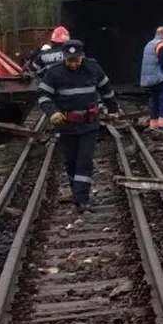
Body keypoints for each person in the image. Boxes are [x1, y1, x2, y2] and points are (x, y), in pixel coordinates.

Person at [36, 40, 120, 213]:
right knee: (71, 161)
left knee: (85, 160)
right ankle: (77, 193)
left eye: (76, 60)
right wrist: (52, 112)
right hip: (66, 126)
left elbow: (106, 90)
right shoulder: (54, 73)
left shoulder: (93, 69)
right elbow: (43, 95)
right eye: (69, 60)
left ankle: (82, 200)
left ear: (82, 56)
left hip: (89, 124)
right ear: (64, 58)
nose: (73, 64)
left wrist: (113, 109)